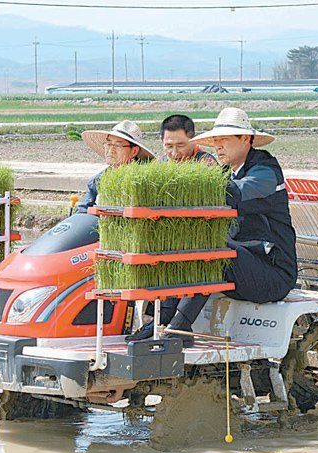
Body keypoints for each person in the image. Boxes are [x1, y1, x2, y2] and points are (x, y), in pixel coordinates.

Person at [127, 107, 297, 346]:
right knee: (187, 242)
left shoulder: (265, 170)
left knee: (211, 248)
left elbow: (234, 193)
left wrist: (187, 183)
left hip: (272, 272)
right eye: (215, 141)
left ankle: (180, 328)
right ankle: (161, 320)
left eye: (224, 140)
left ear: (246, 139)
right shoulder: (225, 172)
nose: (218, 147)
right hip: (240, 267)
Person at [77, 120, 155, 213]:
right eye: (108, 144)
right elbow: (83, 211)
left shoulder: (147, 180)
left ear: (134, 151)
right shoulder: (96, 181)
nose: (111, 150)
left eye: (117, 145)